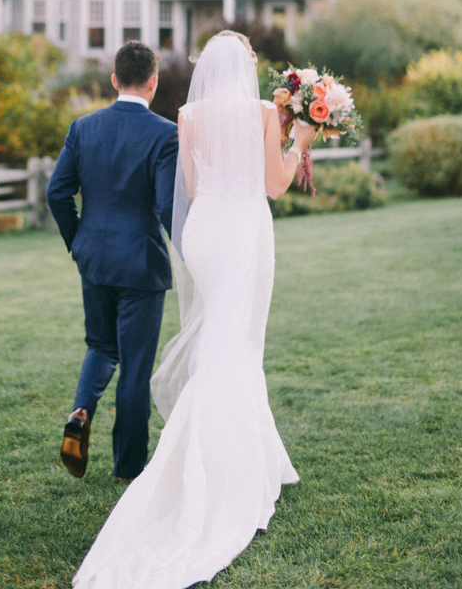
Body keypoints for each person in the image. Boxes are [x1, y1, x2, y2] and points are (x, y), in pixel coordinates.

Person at [71, 31, 317, 589]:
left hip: (206, 231)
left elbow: (191, 186)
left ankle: (259, 455)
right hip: (242, 230)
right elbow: (275, 186)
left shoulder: (187, 114)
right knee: (236, 346)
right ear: (247, 69)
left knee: (223, 342)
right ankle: (216, 470)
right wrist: (300, 137)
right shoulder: (261, 112)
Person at [46, 40, 179, 483]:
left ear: (115, 79)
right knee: (135, 367)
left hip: (94, 260)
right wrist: (189, 246)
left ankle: (81, 411)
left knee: (101, 346)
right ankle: (127, 469)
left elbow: (56, 192)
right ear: (154, 83)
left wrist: (78, 241)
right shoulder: (164, 134)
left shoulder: (83, 128)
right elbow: (165, 205)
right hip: (141, 265)